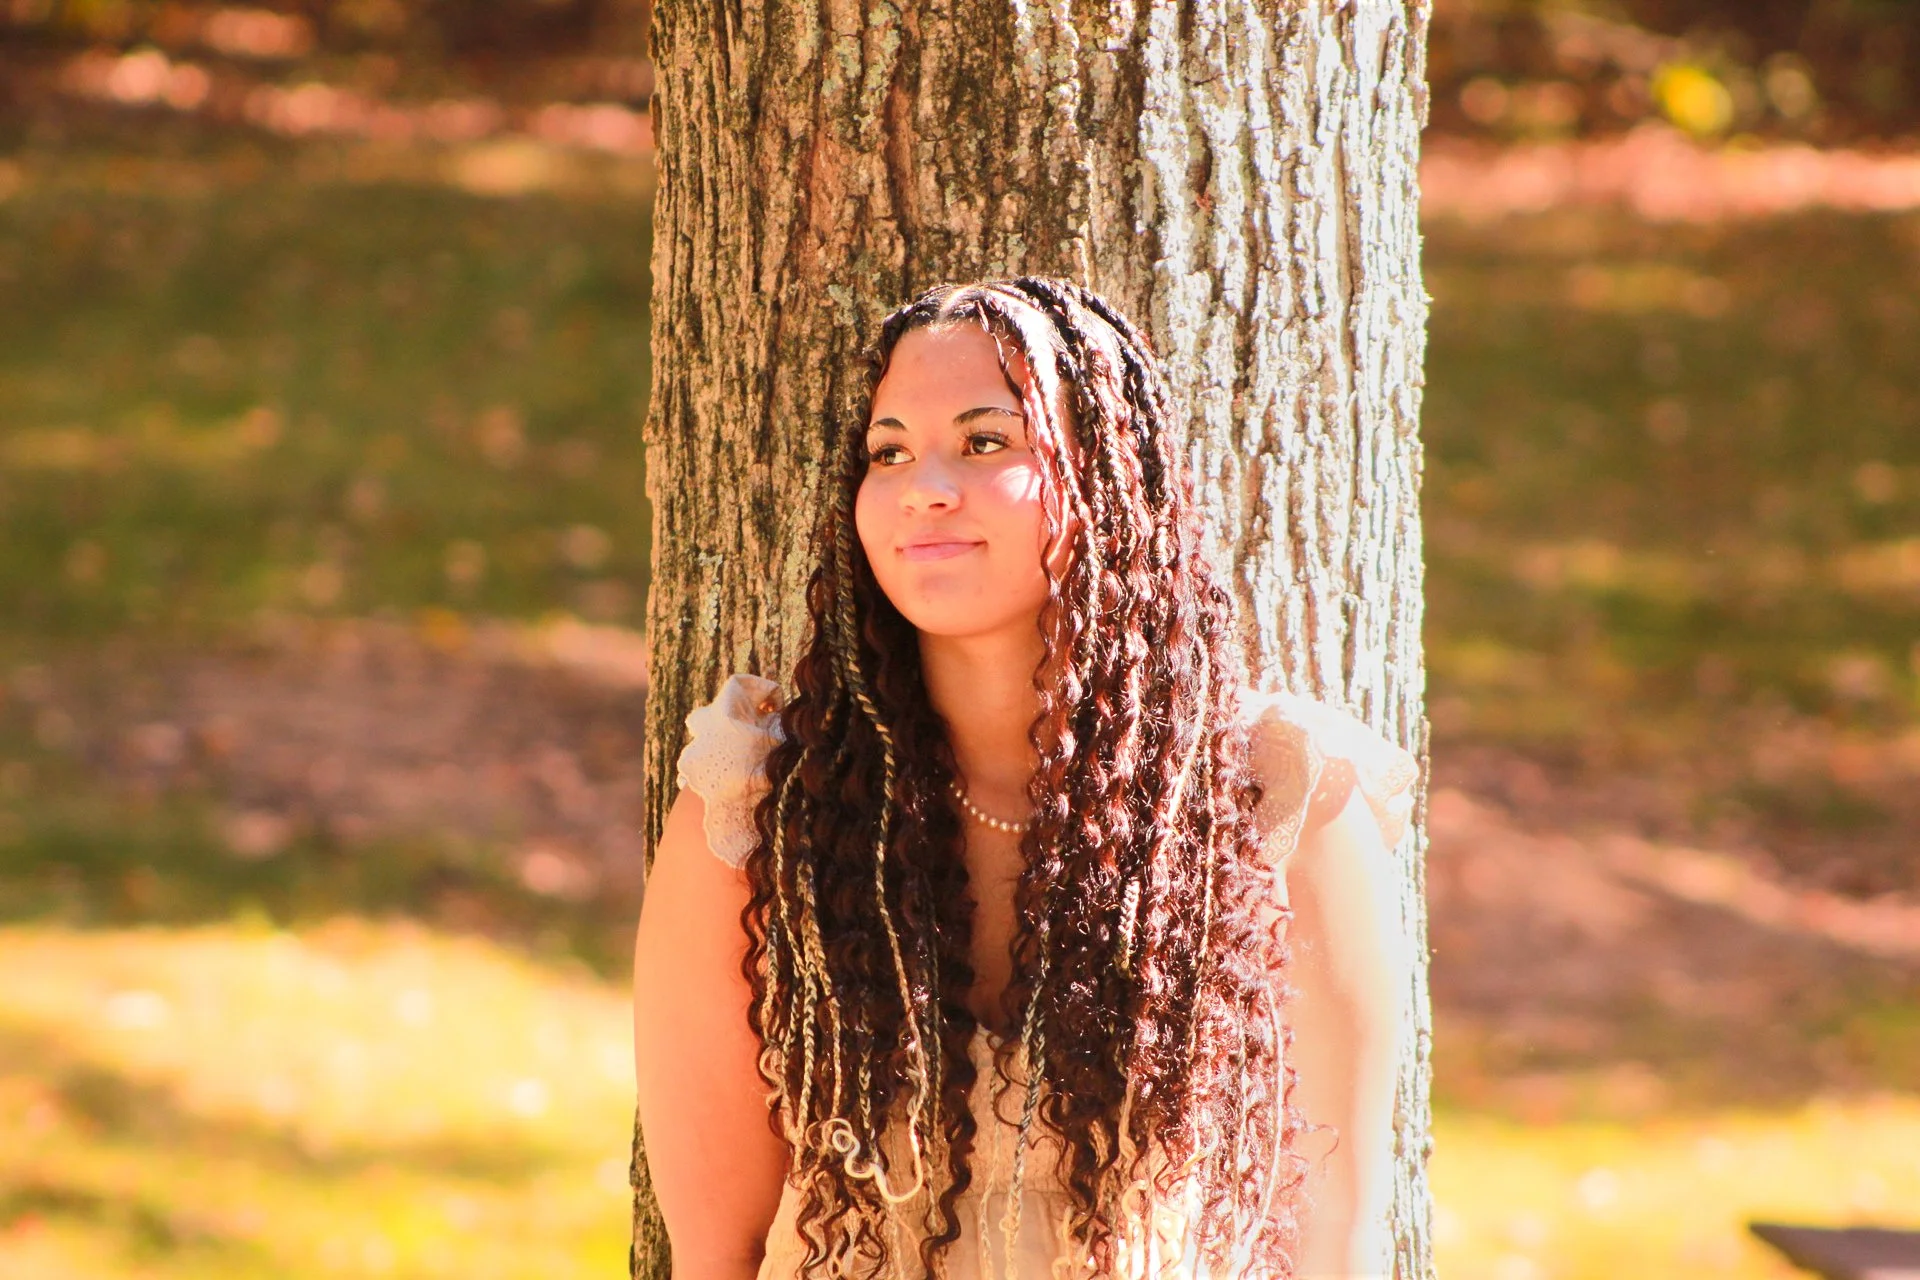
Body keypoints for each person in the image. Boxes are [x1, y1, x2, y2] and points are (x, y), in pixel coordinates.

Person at [632, 278, 1419, 1280]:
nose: (925, 485)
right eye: (890, 450)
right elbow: (718, 1250)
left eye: (986, 442)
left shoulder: (1274, 799)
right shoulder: (758, 809)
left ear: (1105, 479)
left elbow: (1335, 1237)